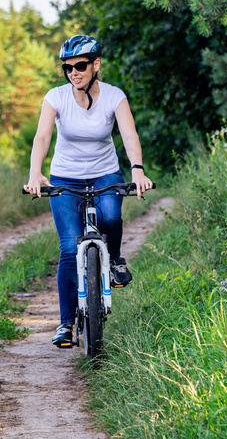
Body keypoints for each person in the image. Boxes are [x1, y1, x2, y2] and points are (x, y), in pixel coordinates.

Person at [23, 35, 154, 348]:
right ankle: (66, 324)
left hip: (105, 173)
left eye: (80, 66)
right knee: (69, 248)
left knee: (111, 217)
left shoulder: (114, 96)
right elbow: (42, 137)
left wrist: (137, 170)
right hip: (65, 178)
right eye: (67, 68)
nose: (73, 73)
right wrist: (35, 173)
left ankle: (116, 259)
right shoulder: (56, 97)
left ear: (96, 65)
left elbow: (129, 135)